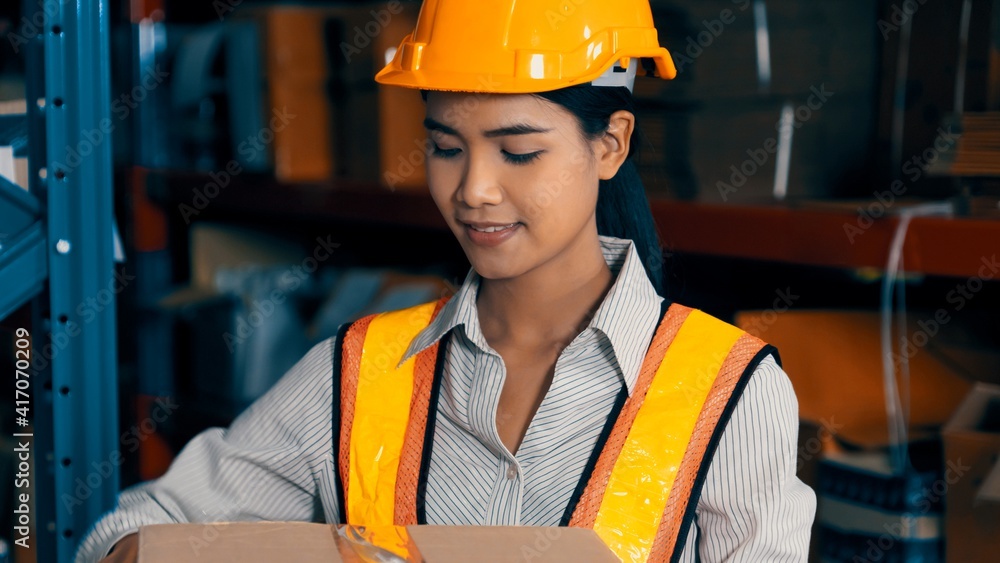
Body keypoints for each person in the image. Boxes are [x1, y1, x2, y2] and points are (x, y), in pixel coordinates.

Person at [80, 1, 815, 561]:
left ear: (610, 144)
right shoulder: (358, 373)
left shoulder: (728, 391)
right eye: (444, 147)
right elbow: (131, 532)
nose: (475, 191)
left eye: (517, 151)